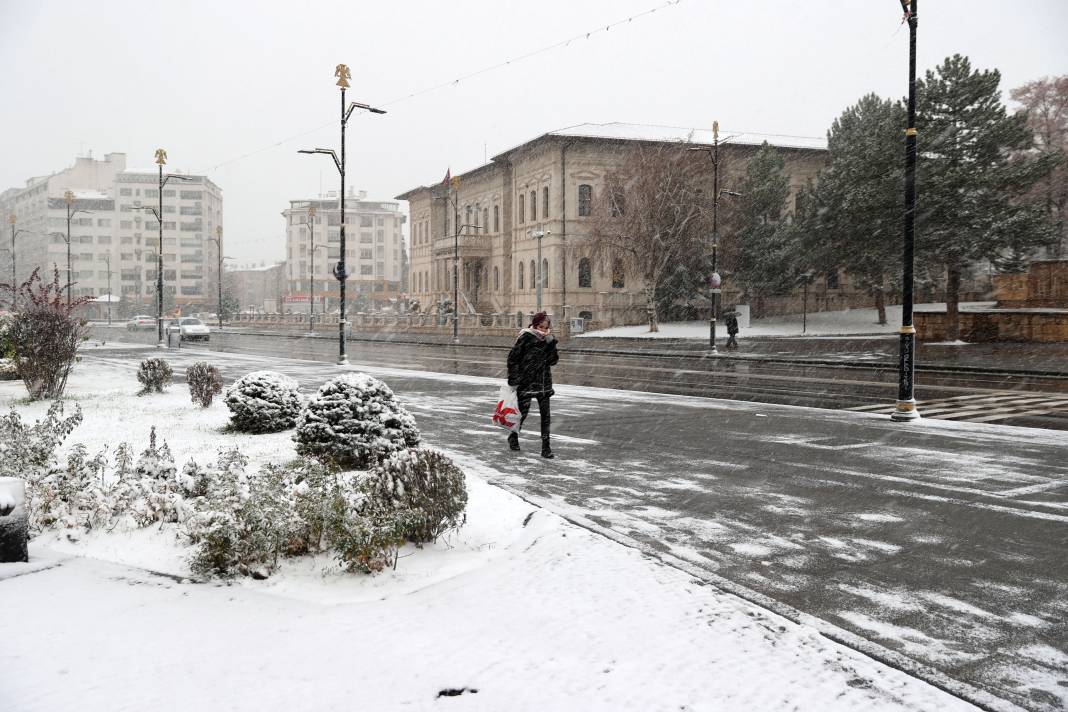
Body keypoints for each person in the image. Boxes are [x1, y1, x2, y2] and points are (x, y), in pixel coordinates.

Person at [506, 311, 559, 458]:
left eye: (546, 327)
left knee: (546, 417)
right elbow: (513, 359)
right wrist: (515, 379)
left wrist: (551, 345)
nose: (543, 330)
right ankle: (513, 436)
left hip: (543, 384)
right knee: (522, 414)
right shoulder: (526, 337)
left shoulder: (549, 340)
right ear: (535, 325)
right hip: (527, 382)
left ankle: (546, 447)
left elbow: (553, 361)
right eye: (541, 327)